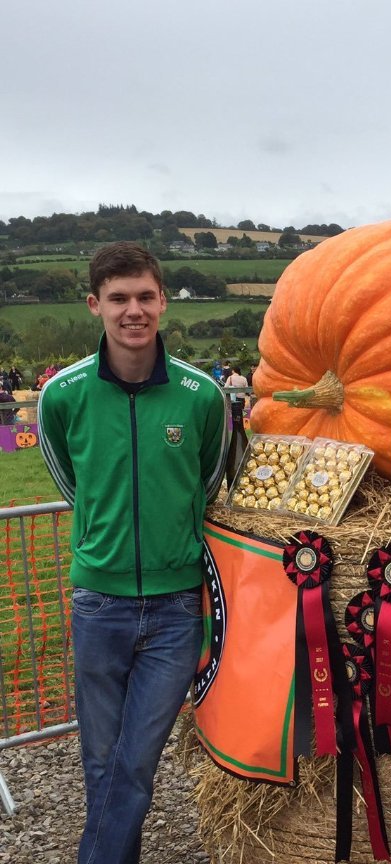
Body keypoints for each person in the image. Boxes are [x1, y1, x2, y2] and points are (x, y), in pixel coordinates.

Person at [38, 241, 228, 864]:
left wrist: (172, 537)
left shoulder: (203, 396)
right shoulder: (62, 396)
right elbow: (70, 480)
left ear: (163, 302)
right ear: (95, 305)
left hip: (176, 608)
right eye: (118, 298)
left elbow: (206, 481)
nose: (133, 310)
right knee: (101, 762)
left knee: (135, 761)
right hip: (98, 603)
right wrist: (102, 532)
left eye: (145, 296)